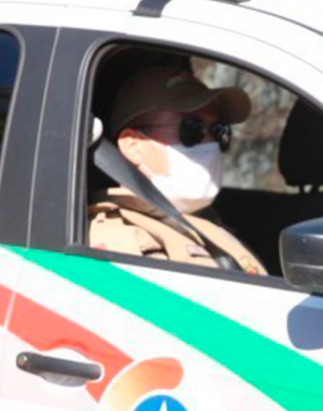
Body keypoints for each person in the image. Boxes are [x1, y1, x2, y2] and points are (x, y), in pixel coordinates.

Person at [90, 66, 266, 275]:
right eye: (191, 128)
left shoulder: (205, 221)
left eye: (218, 130)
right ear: (133, 146)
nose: (210, 143)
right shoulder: (123, 241)